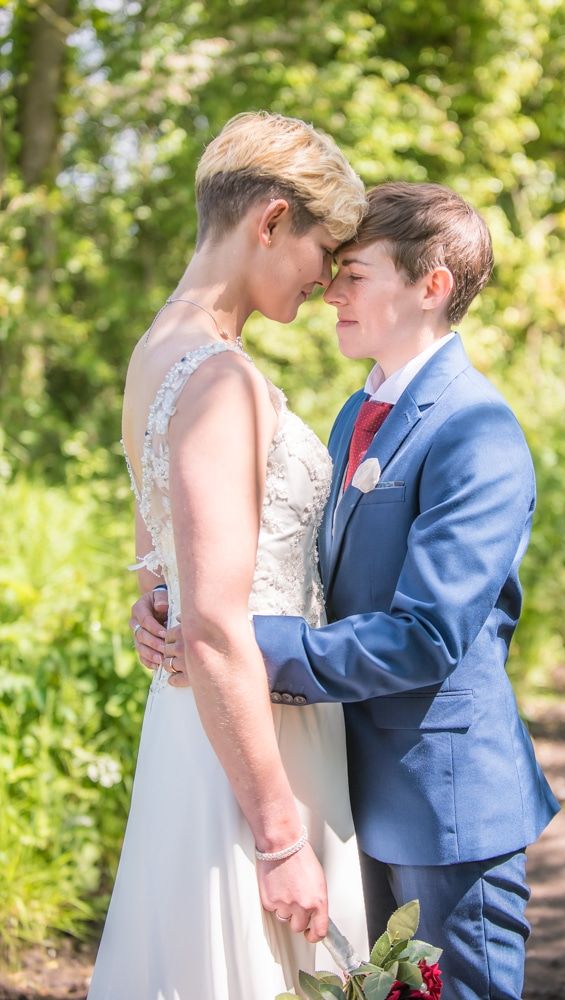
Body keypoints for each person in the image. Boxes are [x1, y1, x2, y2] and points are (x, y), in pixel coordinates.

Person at [137, 181, 560, 999]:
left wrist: (239, 642)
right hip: (350, 790)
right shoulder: (351, 414)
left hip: (446, 804)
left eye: (355, 273)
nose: (331, 290)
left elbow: (426, 636)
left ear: (430, 285)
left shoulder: (477, 429)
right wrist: (173, 604)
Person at [88, 111, 368, 1000]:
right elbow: (212, 622)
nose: (328, 281)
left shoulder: (152, 353)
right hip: (253, 740)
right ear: (272, 220)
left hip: (195, 725)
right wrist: (280, 835)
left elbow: (160, 566)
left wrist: (154, 605)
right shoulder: (219, 376)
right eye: (325, 249)